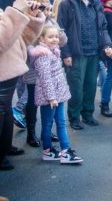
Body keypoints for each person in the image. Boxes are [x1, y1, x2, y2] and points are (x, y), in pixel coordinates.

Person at [57, 0, 112, 130]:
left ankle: (87, 114)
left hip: (94, 53)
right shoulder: (67, 4)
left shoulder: (95, 4)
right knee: (76, 87)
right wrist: (66, 53)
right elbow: (60, 30)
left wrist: (106, 45)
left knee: (90, 86)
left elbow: (102, 28)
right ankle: (74, 117)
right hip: (76, 54)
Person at [0, 0, 45, 170]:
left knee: (6, 112)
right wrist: (17, 11)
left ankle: (3, 150)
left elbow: (18, 38)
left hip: (9, 72)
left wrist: (31, 18)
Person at [31, 25, 83, 164]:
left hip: (57, 95)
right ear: (42, 38)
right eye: (50, 37)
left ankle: (62, 150)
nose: (54, 39)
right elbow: (45, 78)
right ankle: (52, 150)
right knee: (48, 123)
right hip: (50, 97)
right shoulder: (43, 55)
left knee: (60, 122)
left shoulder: (54, 51)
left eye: (56, 36)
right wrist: (51, 97)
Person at [21, 0, 67, 147]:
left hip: (50, 70)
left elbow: (63, 40)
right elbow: (25, 43)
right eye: (43, 8)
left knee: (50, 103)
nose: (46, 12)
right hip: (34, 68)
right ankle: (31, 132)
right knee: (33, 103)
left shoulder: (51, 22)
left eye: (48, 8)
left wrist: (56, 32)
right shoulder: (29, 21)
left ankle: (47, 131)